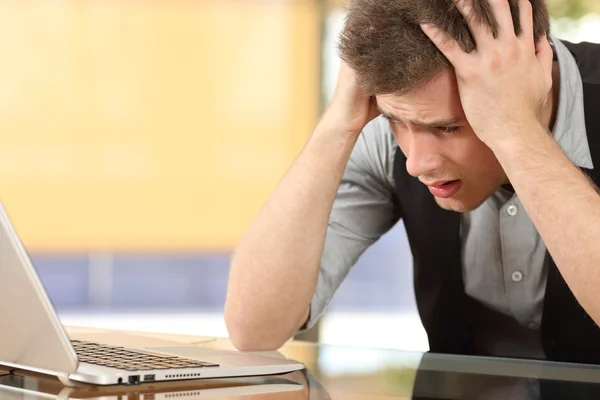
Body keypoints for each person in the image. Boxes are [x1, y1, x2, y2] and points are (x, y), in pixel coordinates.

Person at [224, 0, 600, 363]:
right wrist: (337, 126)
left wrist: (515, 130)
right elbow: (255, 330)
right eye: (394, 120)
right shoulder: (384, 136)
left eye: (448, 127)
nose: (416, 163)